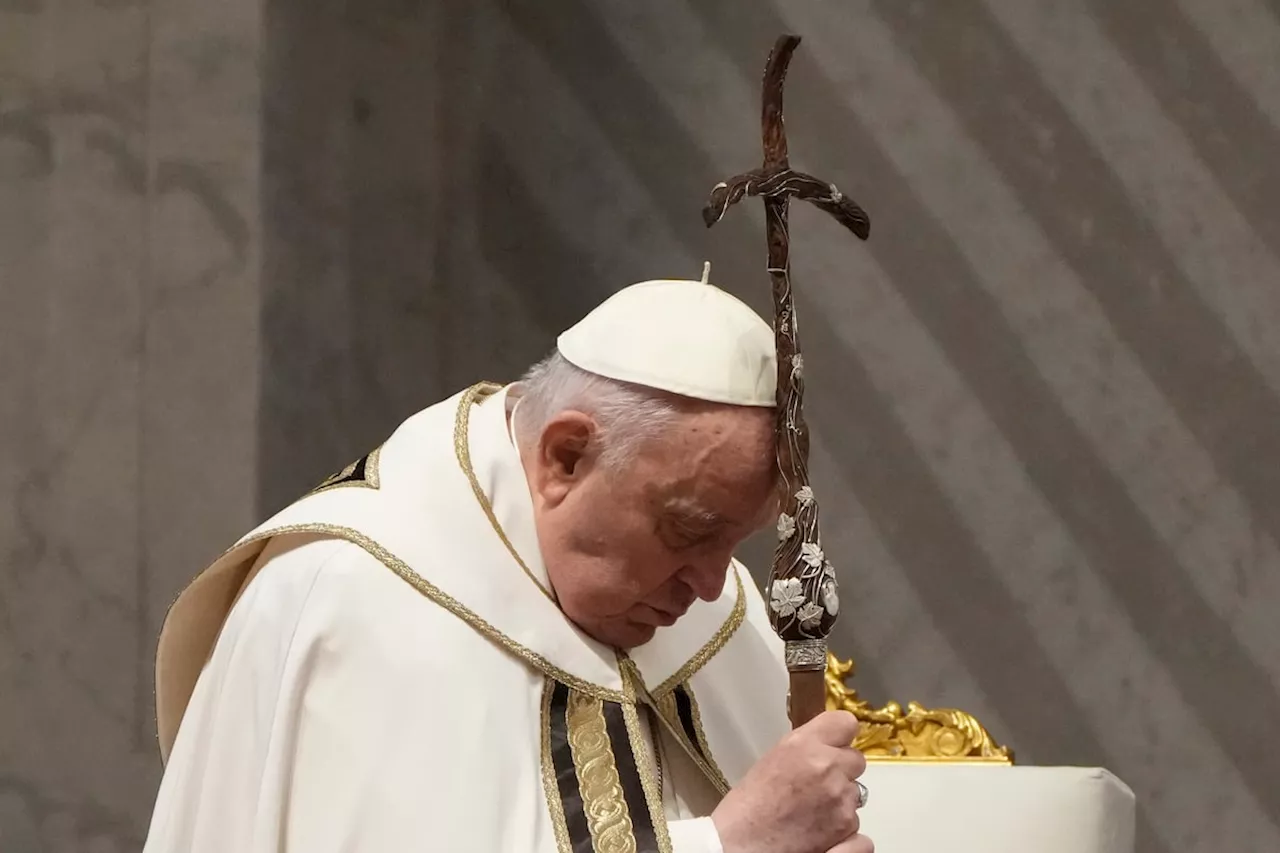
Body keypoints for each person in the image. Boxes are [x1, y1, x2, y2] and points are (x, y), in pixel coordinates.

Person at [142, 274, 873, 853]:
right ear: (565, 457)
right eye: (687, 530)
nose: (713, 585)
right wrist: (725, 847)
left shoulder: (717, 612)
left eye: (735, 541)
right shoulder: (350, 600)